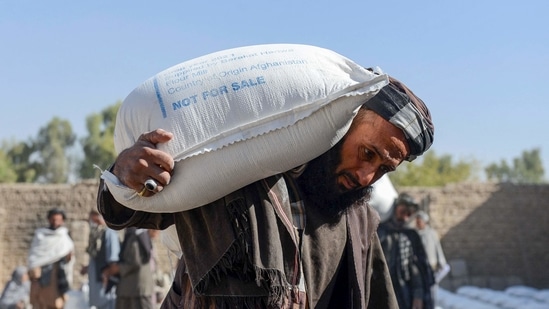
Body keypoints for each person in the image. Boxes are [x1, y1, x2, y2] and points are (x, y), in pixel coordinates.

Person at [97, 76, 435, 308]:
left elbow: (377, 299)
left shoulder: (358, 221)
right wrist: (126, 173)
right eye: (367, 154)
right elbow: (126, 213)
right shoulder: (229, 175)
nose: (366, 176)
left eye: (383, 169)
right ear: (343, 124)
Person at [377, 193, 435, 309]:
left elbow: (417, 268)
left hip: (405, 294)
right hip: (380, 291)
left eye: (409, 214)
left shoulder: (412, 236)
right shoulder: (380, 233)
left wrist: (418, 295)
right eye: (402, 212)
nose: (405, 217)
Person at [27, 208, 74, 309]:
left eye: (58, 220)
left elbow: (68, 257)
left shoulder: (64, 236)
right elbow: (34, 255)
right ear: (49, 219)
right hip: (40, 275)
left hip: (56, 275)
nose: (55, 222)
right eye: (53, 219)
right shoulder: (40, 235)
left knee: (56, 303)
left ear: (62, 221)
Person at [102, 227, 154, 309]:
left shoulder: (135, 235)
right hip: (130, 288)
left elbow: (135, 261)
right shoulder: (134, 234)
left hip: (136, 288)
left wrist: (117, 268)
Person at [80, 209, 121, 309]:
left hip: (104, 281)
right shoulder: (98, 233)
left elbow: (113, 259)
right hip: (97, 279)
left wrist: (108, 274)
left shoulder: (109, 233)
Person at [414, 210, 450, 306]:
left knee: (432, 295)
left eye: (419, 221)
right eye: (416, 221)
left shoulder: (431, 234)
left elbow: (437, 249)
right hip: (418, 270)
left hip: (431, 270)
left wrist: (441, 264)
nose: (417, 223)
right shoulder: (414, 235)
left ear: (424, 222)